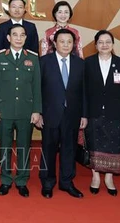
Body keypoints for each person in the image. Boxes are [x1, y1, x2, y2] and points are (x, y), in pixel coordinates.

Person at [0, 24, 41, 197]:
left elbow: (37, 87)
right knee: (4, 147)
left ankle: (21, 180)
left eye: (22, 35)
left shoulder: (33, 59)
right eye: (15, 35)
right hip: (4, 111)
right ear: (8, 38)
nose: (18, 38)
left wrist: (36, 110)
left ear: (26, 38)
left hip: (26, 111)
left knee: (23, 147)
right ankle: (5, 179)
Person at [37, 28, 86, 199]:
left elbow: (84, 92)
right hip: (49, 114)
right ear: (54, 43)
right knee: (48, 150)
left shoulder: (80, 64)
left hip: (72, 114)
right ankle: (47, 183)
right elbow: (37, 90)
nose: (65, 45)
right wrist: (38, 113)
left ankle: (67, 182)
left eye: (69, 42)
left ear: (74, 45)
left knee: (69, 150)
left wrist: (84, 115)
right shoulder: (43, 62)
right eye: (62, 41)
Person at [84, 30, 120, 196]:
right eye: (101, 42)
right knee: (94, 144)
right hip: (93, 112)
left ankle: (109, 178)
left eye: (108, 42)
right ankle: (95, 177)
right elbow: (83, 91)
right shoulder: (88, 63)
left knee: (113, 144)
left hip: (115, 112)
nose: (104, 45)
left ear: (112, 44)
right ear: (96, 45)